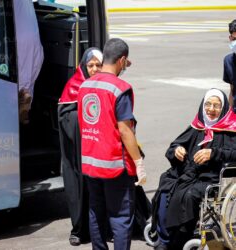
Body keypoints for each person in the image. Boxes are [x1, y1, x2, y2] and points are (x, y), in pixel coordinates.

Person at [77, 38, 147, 250]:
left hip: (90, 162)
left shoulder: (85, 85)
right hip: (114, 165)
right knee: (120, 217)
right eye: (125, 63)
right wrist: (138, 162)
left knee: (96, 213)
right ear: (122, 60)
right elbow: (125, 130)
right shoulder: (120, 88)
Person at [150, 89, 236, 250]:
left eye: (217, 106)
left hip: (213, 178)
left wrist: (214, 153)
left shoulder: (231, 128)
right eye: (208, 104)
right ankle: (164, 235)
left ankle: (180, 237)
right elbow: (175, 144)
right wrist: (177, 150)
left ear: (223, 108)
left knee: (189, 195)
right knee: (166, 183)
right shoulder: (198, 125)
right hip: (190, 172)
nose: (211, 109)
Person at [58, 47, 103, 246]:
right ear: (83, 66)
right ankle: (78, 230)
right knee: (79, 190)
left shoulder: (105, 85)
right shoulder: (74, 85)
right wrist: (83, 120)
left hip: (98, 149)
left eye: (98, 65)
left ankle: (102, 229)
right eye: (90, 65)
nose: (94, 69)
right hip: (77, 153)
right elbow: (65, 116)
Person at [13, 0, 44, 124]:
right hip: (32, 33)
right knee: (27, 72)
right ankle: (25, 96)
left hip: (16, 34)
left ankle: (22, 97)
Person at [223, 19, 236, 113]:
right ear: (230, 38)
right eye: (235, 39)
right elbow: (232, 90)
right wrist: (228, 114)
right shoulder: (228, 61)